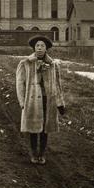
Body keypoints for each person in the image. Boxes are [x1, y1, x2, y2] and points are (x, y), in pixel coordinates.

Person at [15, 35, 66, 164]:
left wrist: (60, 104)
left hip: (47, 100)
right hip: (32, 101)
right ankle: (33, 153)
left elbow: (57, 85)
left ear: (46, 48)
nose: (39, 48)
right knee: (33, 128)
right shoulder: (25, 63)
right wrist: (22, 102)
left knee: (45, 128)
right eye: (37, 46)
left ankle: (42, 153)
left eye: (42, 46)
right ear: (34, 48)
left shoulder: (53, 65)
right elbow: (20, 84)